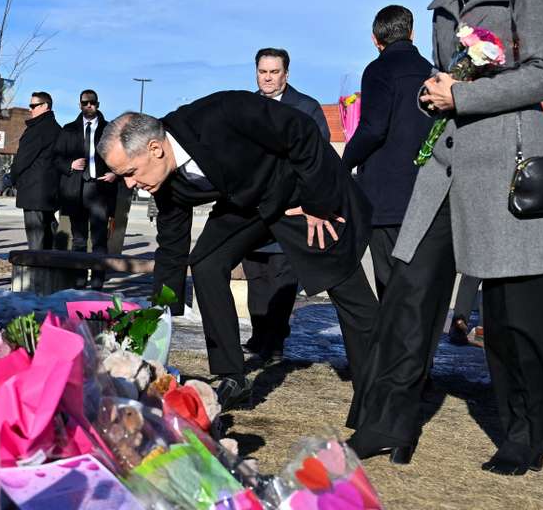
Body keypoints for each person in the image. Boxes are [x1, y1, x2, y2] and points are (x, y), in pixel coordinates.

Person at [351, 0, 543, 474]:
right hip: (445, 166)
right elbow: (454, 82)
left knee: (512, 313)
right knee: (408, 292)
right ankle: (384, 426)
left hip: (506, 164)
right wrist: (436, 95)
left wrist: (464, 97)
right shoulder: (446, 1)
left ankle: (525, 437)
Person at [98, 98, 378, 409]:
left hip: (298, 193)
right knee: (206, 262)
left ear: (155, 148)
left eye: (131, 172)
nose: (130, 184)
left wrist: (318, 201)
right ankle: (232, 375)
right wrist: (158, 315)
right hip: (247, 204)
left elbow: (301, 130)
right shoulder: (163, 183)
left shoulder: (221, 113)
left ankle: (380, 394)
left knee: (343, 284)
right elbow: (172, 248)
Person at [242, 49, 330, 363]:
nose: (267, 77)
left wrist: (308, 203)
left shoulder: (306, 108)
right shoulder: (246, 106)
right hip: (252, 208)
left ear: (286, 74)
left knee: (281, 274)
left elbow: (320, 161)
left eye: (274, 72)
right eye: (262, 71)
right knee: (256, 274)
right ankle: (258, 334)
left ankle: (275, 341)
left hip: (291, 208)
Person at [341, 7, 435, 298]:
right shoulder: (432, 72)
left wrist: (346, 162)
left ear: (374, 39)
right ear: (412, 33)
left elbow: (373, 129)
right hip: (426, 192)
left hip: (386, 195)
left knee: (389, 281)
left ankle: (392, 342)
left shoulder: (378, 70)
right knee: (418, 283)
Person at [55, 89, 118, 285]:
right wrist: (70, 165)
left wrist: (116, 173)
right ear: (79, 105)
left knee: (99, 239)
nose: (88, 105)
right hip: (76, 188)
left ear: (98, 104)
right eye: (85, 103)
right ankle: (79, 281)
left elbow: (122, 156)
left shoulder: (110, 129)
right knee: (79, 240)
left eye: (92, 102)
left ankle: (98, 282)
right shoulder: (69, 129)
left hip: (100, 189)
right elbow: (56, 158)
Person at [10, 92, 62, 250]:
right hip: (49, 193)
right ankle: (52, 268)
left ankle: (37, 271)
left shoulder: (38, 129)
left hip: (34, 192)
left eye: (33, 105)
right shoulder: (57, 128)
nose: (30, 109)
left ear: (45, 106)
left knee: (36, 239)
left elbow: (22, 159)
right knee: (49, 232)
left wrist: (12, 179)